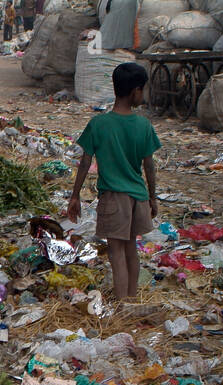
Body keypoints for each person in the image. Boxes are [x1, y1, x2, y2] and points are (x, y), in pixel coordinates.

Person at [66, 61, 160, 303]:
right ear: (135, 92)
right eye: (143, 90)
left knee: (116, 252)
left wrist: (75, 196)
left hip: (113, 198)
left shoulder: (99, 124)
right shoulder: (143, 125)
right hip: (138, 197)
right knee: (131, 250)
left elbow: (85, 163)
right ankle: (131, 298)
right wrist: (153, 196)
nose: (144, 95)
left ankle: (121, 306)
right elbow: (149, 165)